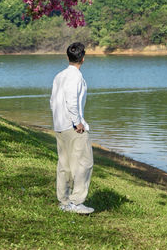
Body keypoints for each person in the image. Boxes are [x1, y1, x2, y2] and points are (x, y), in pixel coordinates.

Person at [50, 41, 94, 214]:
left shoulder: (59, 75)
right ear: (82, 58)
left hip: (60, 125)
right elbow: (71, 100)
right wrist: (77, 122)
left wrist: (57, 121)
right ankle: (76, 202)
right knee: (85, 162)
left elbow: (52, 101)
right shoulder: (75, 76)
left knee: (65, 164)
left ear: (68, 57)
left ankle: (65, 201)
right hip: (72, 126)